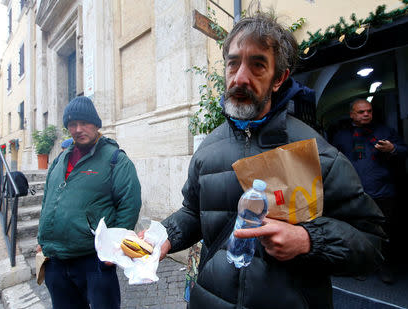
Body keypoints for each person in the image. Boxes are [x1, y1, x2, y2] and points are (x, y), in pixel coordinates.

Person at [154, 8, 385, 309]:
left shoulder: (317, 153)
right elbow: (195, 213)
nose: (240, 78)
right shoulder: (208, 148)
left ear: (279, 79)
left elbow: (371, 246)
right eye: (233, 64)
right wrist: (164, 235)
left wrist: (308, 240)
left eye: (258, 66)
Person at [37, 96, 142, 309]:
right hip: (56, 262)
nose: (78, 129)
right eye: (72, 124)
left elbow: (129, 205)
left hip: (93, 262)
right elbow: (47, 199)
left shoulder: (115, 159)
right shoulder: (59, 160)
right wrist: (42, 237)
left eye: (84, 123)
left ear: (96, 125)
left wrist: (113, 247)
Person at [332, 98, 408, 283]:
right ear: (352, 114)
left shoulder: (384, 132)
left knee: (384, 231)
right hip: (354, 192)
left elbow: (406, 151)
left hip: (383, 191)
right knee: (357, 230)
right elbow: (331, 159)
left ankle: (384, 266)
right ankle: (361, 265)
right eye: (361, 112)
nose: (366, 114)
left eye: (369, 111)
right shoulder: (341, 136)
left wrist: (392, 149)